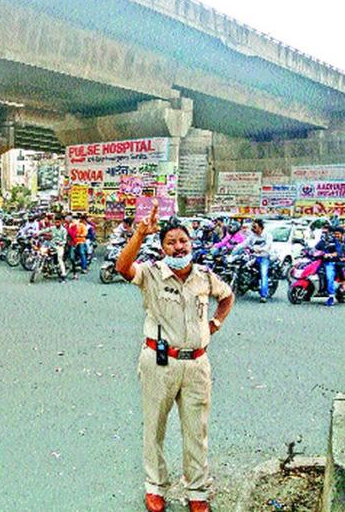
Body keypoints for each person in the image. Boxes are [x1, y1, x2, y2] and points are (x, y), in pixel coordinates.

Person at [116, 203, 235, 512]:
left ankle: (197, 491)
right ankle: (155, 487)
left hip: (197, 364)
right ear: (162, 247)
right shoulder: (152, 274)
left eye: (183, 240)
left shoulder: (204, 277)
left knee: (197, 430)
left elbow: (227, 296)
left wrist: (214, 324)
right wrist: (140, 234)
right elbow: (123, 268)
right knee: (154, 427)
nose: (178, 246)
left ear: (191, 243)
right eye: (171, 242)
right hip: (160, 362)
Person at [232, 218, 274, 303]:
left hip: (264, 257)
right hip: (253, 257)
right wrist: (234, 251)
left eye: (255, 227)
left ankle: (263, 295)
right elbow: (243, 244)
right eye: (252, 227)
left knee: (263, 274)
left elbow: (267, 247)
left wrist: (259, 249)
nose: (253, 229)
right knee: (242, 266)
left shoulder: (268, 235)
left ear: (260, 227)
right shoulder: (252, 236)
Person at [315, 227, 345, 306]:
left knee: (329, 277)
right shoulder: (322, 241)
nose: (324, 234)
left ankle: (331, 297)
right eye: (323, 232)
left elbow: (338, 252)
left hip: (330, 263)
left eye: (326, 232)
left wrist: (330, 255)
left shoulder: (335, 242)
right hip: (320, 262)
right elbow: (315, 249)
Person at [39, 215, 68, 283]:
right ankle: (46, 269)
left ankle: (63, 275)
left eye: (58, 222)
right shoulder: (52, 228)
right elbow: (45, 230)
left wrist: (61, 243)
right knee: (43, 254)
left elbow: (64, 240)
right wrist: (37, 233)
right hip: (51, 246)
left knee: (59, 259)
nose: (57, 223)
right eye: (56, 222)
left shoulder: (64, 230)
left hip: (59, 247)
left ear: (61, 222)